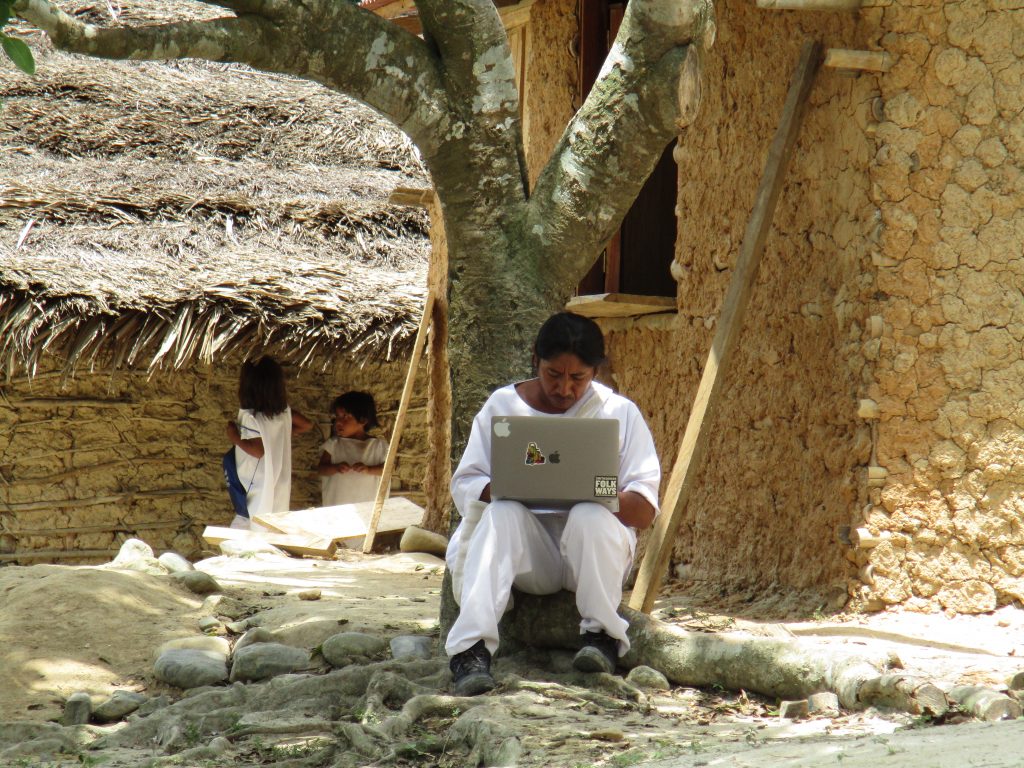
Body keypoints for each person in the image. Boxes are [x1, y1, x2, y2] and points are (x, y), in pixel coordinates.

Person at [446, 312, 661, 696]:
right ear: (535, 359)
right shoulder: (503, 405)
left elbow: (644, 510)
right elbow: (465, 482)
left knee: (590, 513)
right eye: (553, 374)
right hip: (531, 558)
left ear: (596, 371)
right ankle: (470, 651)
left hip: (593, 558)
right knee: (501, 514)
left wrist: (593, 489)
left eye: (578, 378)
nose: (565, 389)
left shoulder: (618, 412)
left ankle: (601, 637)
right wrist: (512, 486)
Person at [225, 356, 313, 528]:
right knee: (275, 520)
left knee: (255, 522)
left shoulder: (250, 417)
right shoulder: (283, 413)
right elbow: (307, 425)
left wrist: (234, 436)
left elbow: (257, 451)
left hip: (259, 481)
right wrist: (280, 437)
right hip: (279, 479)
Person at [317, 391, 388, 506]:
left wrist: (368, 470)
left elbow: (387, 470)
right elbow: (321, 469)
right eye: (337, 417)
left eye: (345, 417)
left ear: (363, 420)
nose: (338, 422)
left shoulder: (378, 446)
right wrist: (336, 468)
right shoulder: (334, 444)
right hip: (338, 507)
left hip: (367, 506)